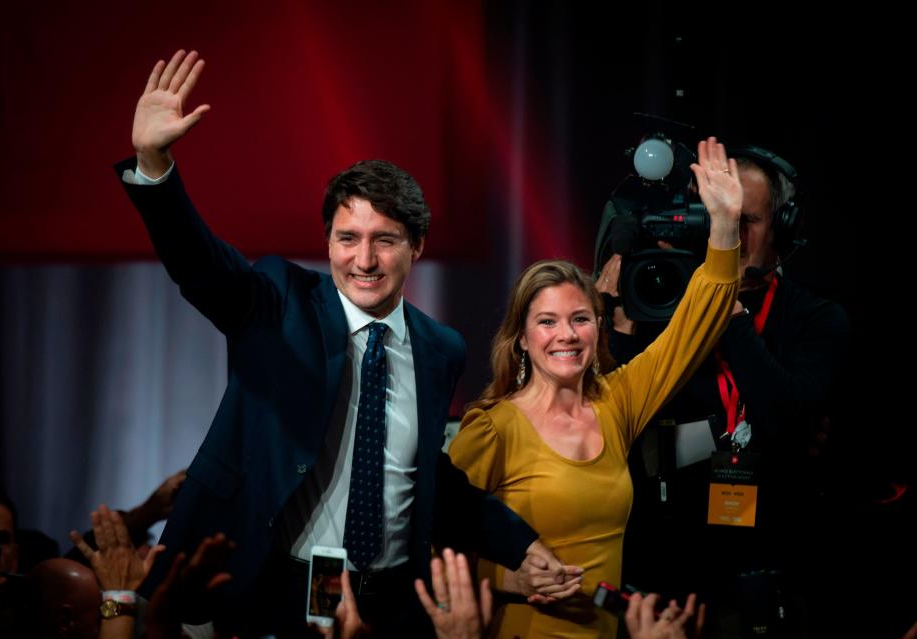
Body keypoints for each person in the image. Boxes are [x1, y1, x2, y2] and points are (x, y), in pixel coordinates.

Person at [116, 49, 572, 636]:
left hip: (391, 602)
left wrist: (519, 543)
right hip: (273, 587)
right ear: (327, 239)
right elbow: (201, 266)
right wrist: (155, 166)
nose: (363, 260)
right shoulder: (279, 301)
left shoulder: (440, 349)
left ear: (418, 247)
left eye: (384, 240)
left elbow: (421, 473)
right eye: (347, 237)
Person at [448, 137, 742, 637]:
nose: (565, 334)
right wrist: (507, 577)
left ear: (597, 328)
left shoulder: (616, 401)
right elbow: (440, 545)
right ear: (521, 338)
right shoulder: (493, 429)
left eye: (580, 318)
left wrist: (725, 226)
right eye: (547, 322)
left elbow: (696, 326)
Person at [601, 146, 851, 635]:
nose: (729, 235)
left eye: (745, 220)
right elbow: (617, 421)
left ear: (783, 229)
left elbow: (787, 419)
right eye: (717, 220)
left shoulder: (817, 318)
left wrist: (725, 308)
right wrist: (618, 321)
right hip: (668, 579)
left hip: (771, 577)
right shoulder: (659, 302)